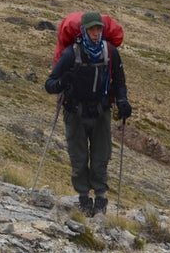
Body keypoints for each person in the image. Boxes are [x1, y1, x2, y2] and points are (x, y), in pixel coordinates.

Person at [44, 11, 131, 216]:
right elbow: (49, 85)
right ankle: (84, 198)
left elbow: (119, 81)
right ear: (83, 30)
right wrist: (62, 82)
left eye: (98, 28)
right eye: (91, 29)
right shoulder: (70, 54)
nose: (95, 33)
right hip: (75, 112)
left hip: (101, 111)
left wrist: (122, 100)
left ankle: (100, 199)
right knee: (79, 157)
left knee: (102, 156)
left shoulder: (109, 52)